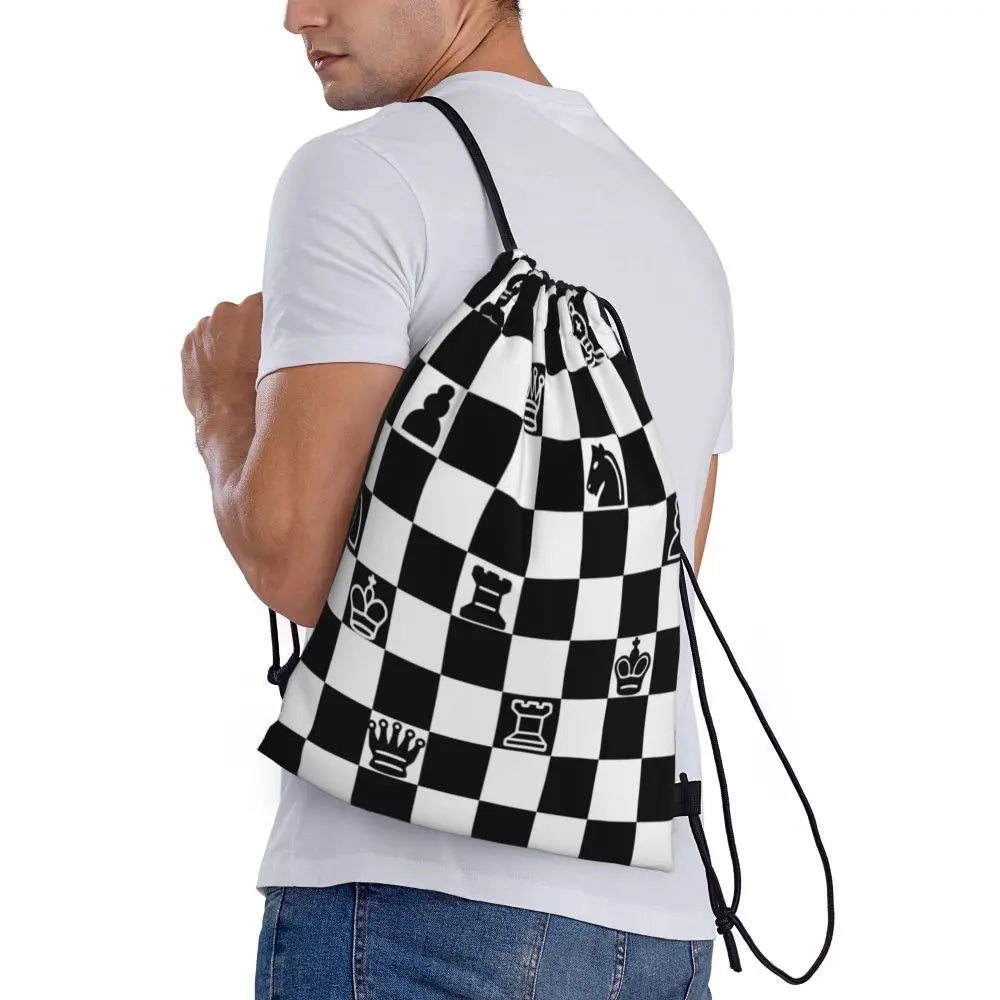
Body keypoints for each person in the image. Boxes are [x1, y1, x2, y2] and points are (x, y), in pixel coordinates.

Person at [181, 2, 734, 997]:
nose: (296, 15)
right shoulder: (679, 232)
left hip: (418, 907)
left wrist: (222, 405)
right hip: (663, 927)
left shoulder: (366, 173)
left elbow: (292, 562)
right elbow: (662, 579)